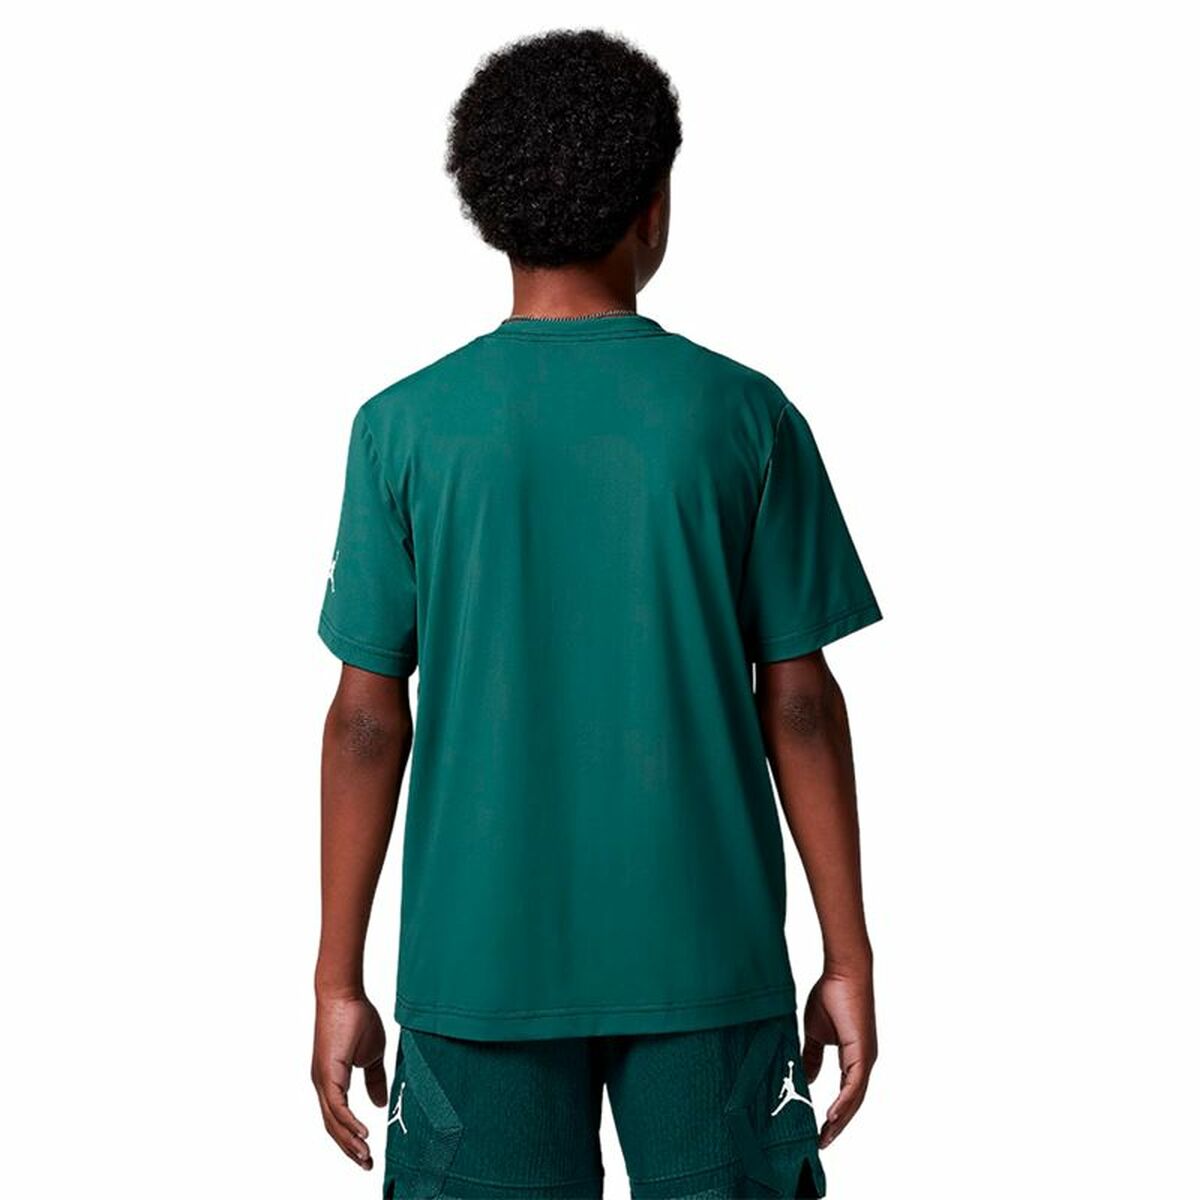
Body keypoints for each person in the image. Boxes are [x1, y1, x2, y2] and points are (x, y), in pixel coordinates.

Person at [311, 28, 881, 1200]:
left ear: (489, 213)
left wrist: (336, 979)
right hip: (709, 963)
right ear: (653, 207)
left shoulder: (402, 427)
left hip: (476, 968)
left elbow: (367, 721)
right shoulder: (745, 417)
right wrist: (848, 953)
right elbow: (801, 705)